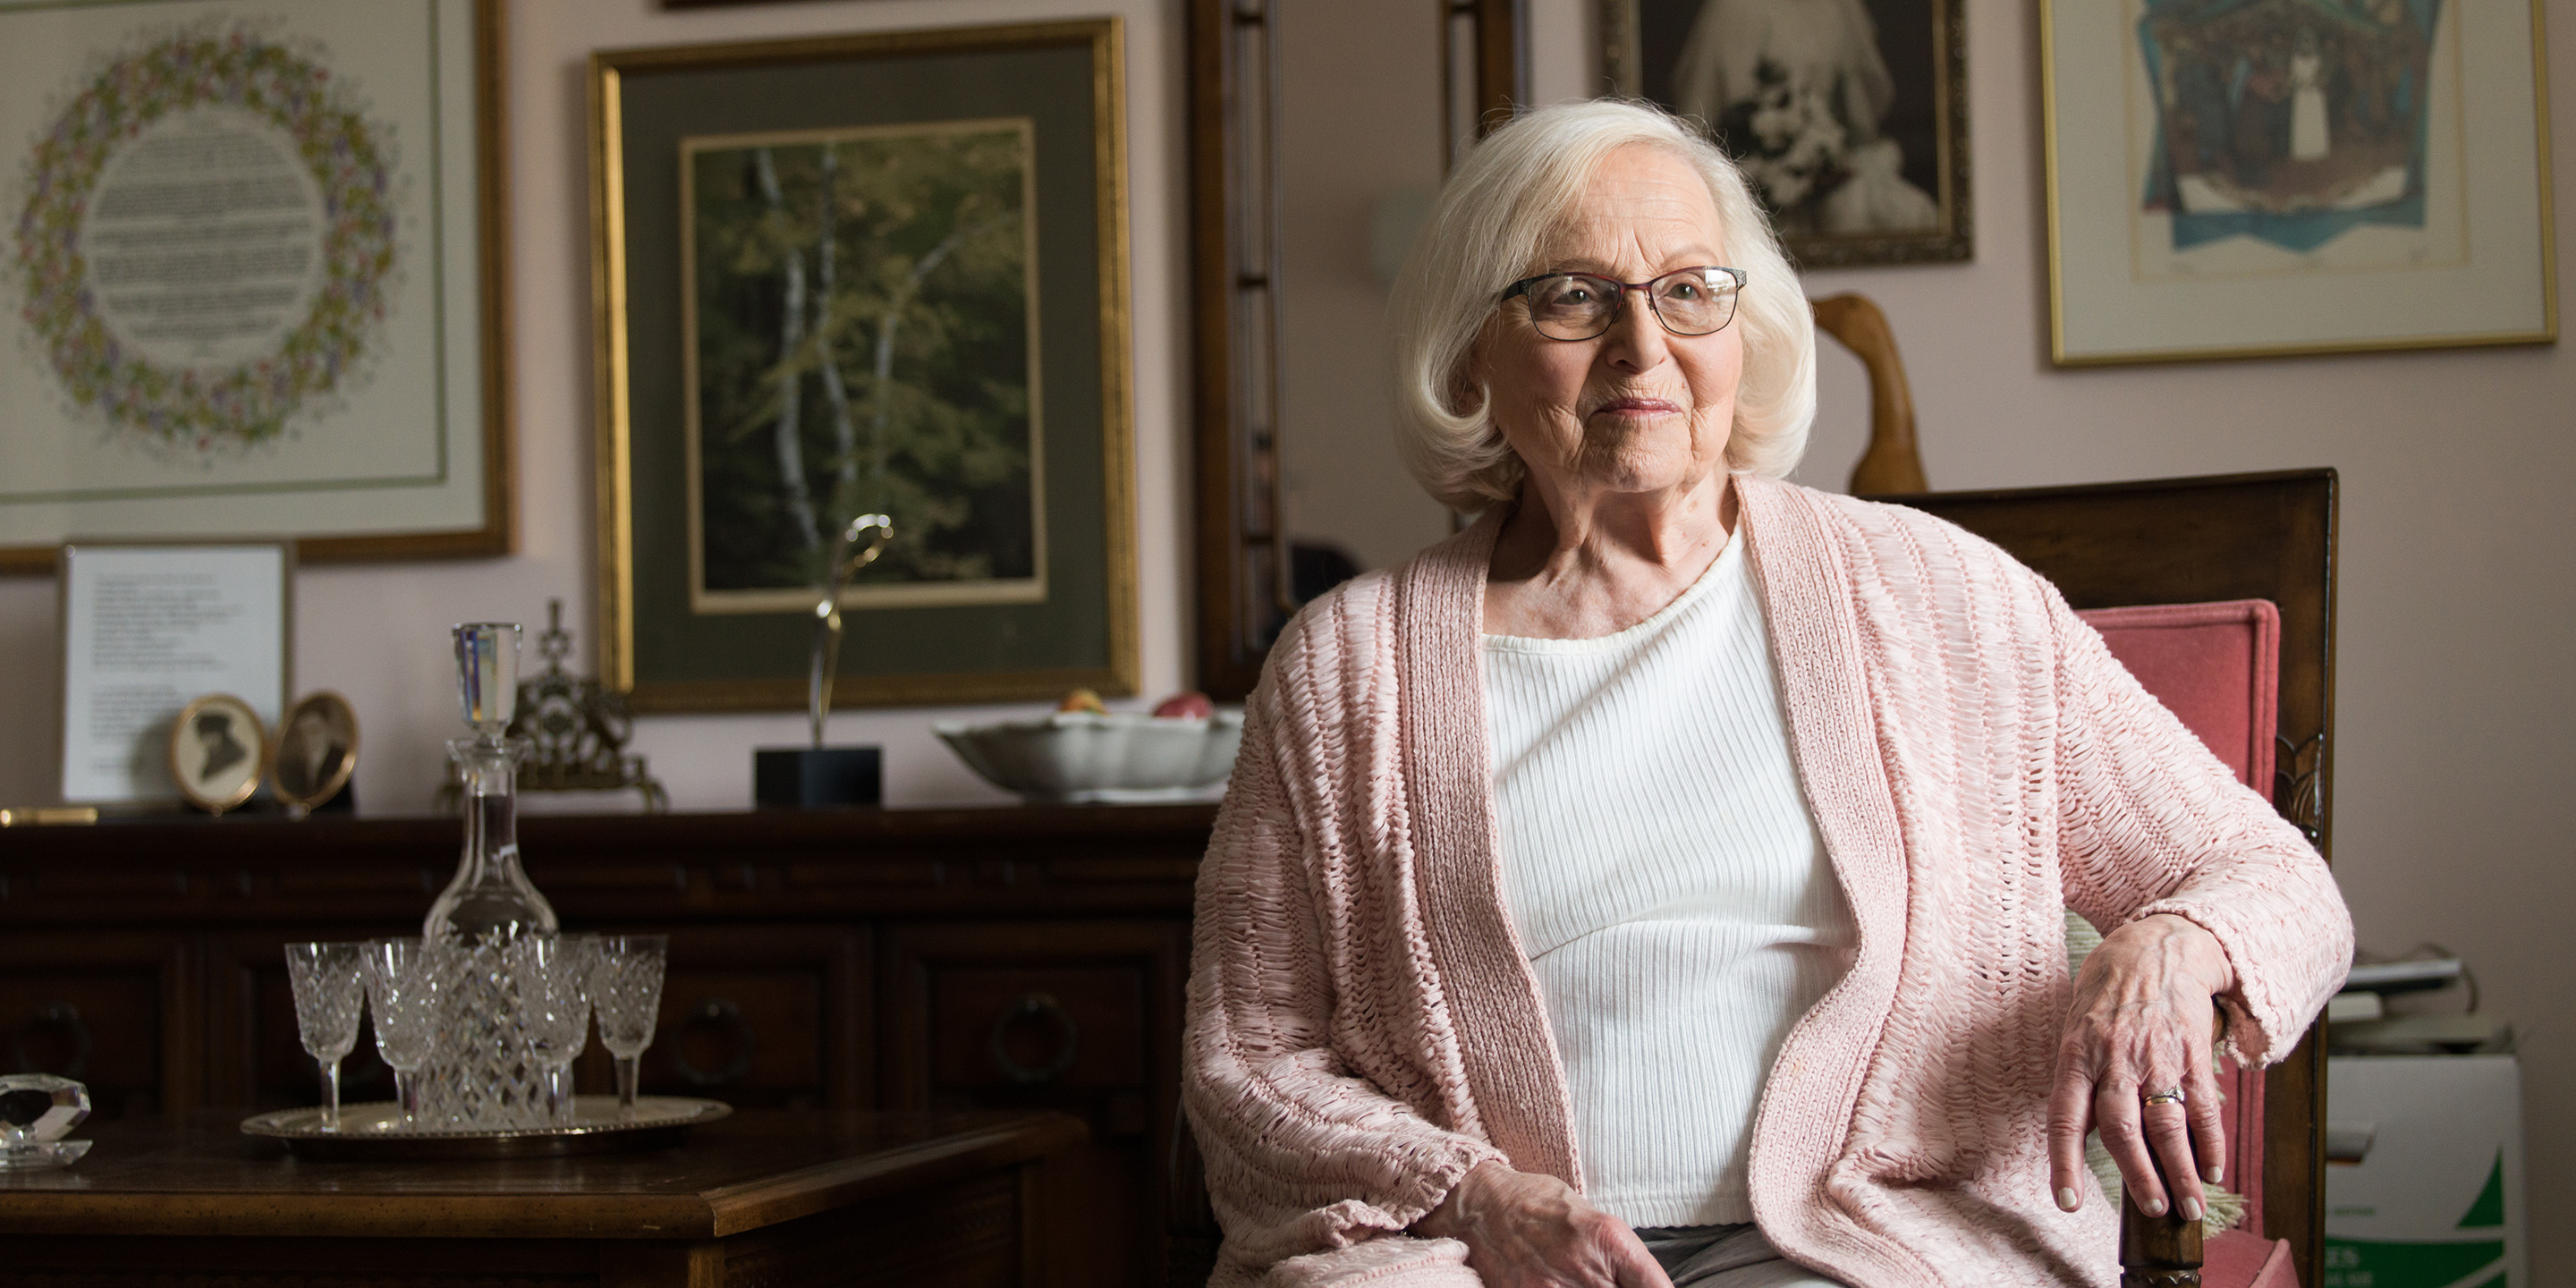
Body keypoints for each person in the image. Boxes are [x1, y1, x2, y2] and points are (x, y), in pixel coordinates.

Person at [1181, 100, 2350, 1288]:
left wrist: (2167, 942)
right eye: (1573, 297)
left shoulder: (1942, 599)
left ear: (1746, 329)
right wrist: (1475, 1198)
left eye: (1688, 290)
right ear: (1472, 348)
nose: (1644, 348)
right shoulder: (1346, 665)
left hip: (1863, 1237)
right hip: (1469, 1251)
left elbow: (2276, 883)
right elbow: (1247, 1062)